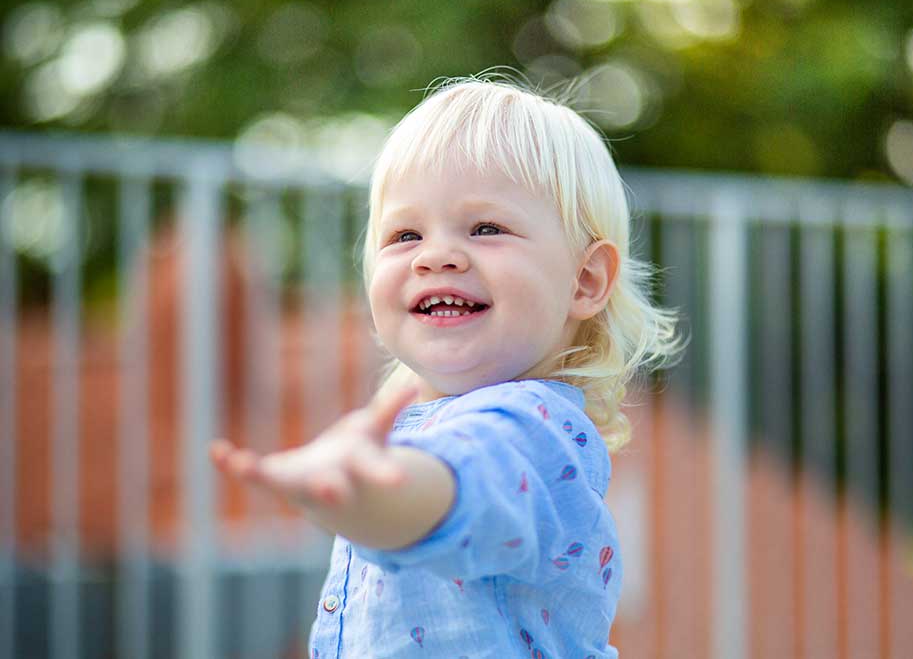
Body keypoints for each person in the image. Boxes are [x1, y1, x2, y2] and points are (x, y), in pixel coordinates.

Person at [210, 68, 686, 658]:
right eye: (405, 235)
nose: (436, 256)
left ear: (585, 280)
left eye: (486, 228)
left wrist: (370, 488)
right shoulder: (416, 425)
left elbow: (463, 482)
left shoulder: (537, 429)